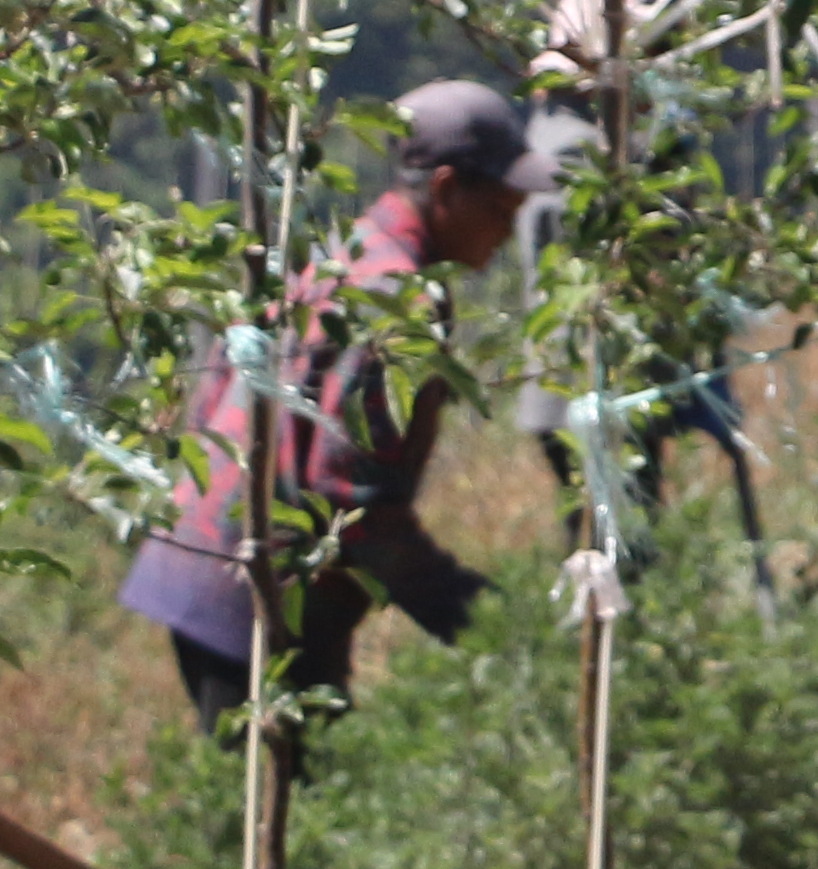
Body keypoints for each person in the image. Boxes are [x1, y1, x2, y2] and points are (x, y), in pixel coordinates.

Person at [121, 80, 556, 728]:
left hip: (212, 560)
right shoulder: (396, 302)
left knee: (290, 784)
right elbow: (351, 502)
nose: (506, 231)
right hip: (250, 585)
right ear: (444, 189)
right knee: (288, 794)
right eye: (498, 209)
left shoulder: (342, 251)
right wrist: (476, 617)